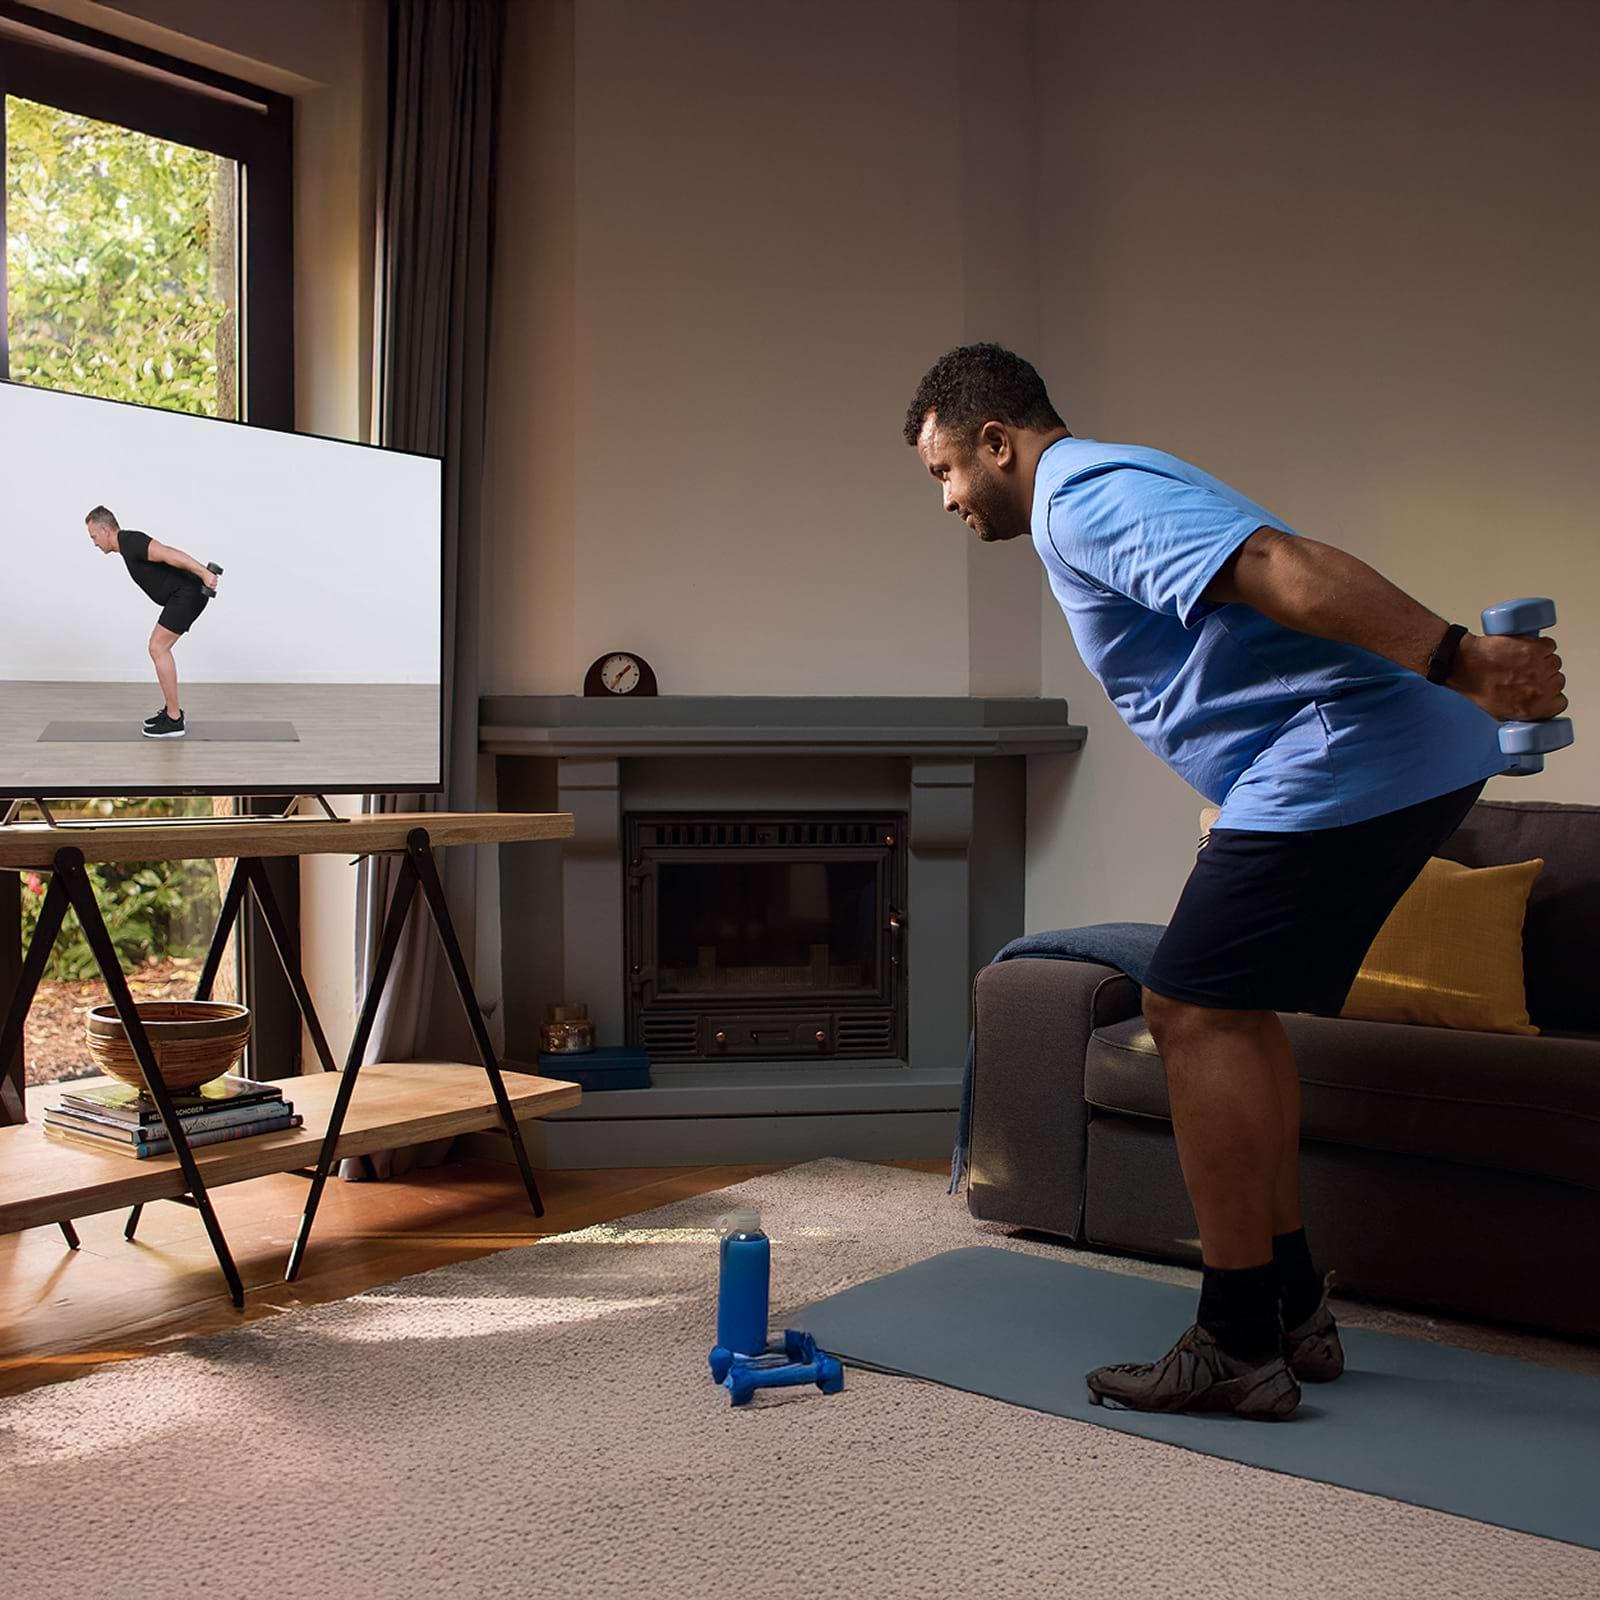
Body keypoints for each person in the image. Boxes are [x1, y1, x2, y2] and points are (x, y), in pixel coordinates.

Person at [904, 344, 1569, 1421]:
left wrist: (1458, 658)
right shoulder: (1103, 492)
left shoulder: (1082, 496)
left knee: (1186, 1006)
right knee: (1224, 1009)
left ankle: (1232, 1339)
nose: (945, 498)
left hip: (1344, 755)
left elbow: (1281, 565)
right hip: (1358, 760)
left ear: (997, 441)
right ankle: (1290, 1302)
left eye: (945, 471)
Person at [84, 505, 220, 739]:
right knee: (158, 647)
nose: (94, 543)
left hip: (187, 594)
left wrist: (204, 573)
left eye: (94, 537)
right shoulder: (126, 547)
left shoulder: (131, 541)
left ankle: (175, 720)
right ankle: (171, 712)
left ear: (106, 530)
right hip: (183, 595)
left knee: (158, 647)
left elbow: (168, 553)